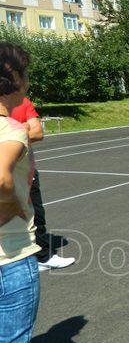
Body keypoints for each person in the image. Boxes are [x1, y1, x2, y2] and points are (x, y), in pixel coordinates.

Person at [0, 43, 41, 343]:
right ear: (13, 78)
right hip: (10, 256)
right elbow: (1, 178)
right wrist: (9, 207)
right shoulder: (11, 130)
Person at [10, 97, 74, 271]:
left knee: (36, 214)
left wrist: (10, 134)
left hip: (25, 169)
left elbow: (38, 132)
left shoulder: (22, 101)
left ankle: (42, 256)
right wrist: (22, 128)